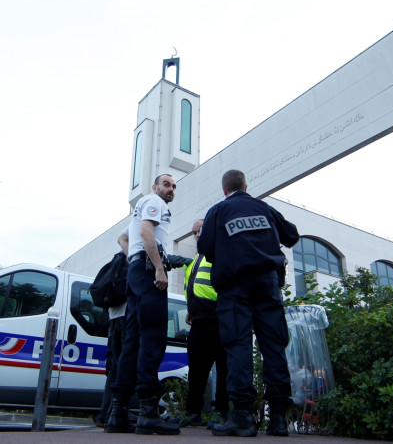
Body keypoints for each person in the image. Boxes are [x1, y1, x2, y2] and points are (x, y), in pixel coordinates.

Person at [197, 169, 300, 437]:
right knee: (273, 345)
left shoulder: (218, 211)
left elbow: (204, 247)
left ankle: (242, 416)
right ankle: (278, 418)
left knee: (238, 346)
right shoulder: (264, 208)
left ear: (224, 190)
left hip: (234, 287)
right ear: (246, 185)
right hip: (267, 284)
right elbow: (291, 236)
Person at [105, 174, 181, 435]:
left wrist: (134, 260)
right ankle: (148, 413)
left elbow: (123, 239)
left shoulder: (141, 207)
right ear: (155, 187)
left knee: (133, 341)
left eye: (173, 186)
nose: (170, 189)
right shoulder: (153, 201)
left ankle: (118, 413)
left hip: (137, 271)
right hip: (148, 272)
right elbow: (146, 231)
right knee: (153, 338)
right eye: (167, 185)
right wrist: (158, 268)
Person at [173, 219, 228, 428]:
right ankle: (192, 413)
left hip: (218, 319)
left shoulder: (219, 253)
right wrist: (191, 310)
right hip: (198, 321)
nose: (197, 236)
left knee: (223, 369)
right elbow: (194, 288)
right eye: (194, 233)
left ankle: (220, 412)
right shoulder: (195, 260)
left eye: (200, 231)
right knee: (196, 370)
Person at [93, 229, 129, 428]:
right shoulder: (130, 258)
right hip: (125, 318)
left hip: (113, 319)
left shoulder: (115, 260)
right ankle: (114, 414)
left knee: (114, 368)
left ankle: (103, 414)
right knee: (123, 366)